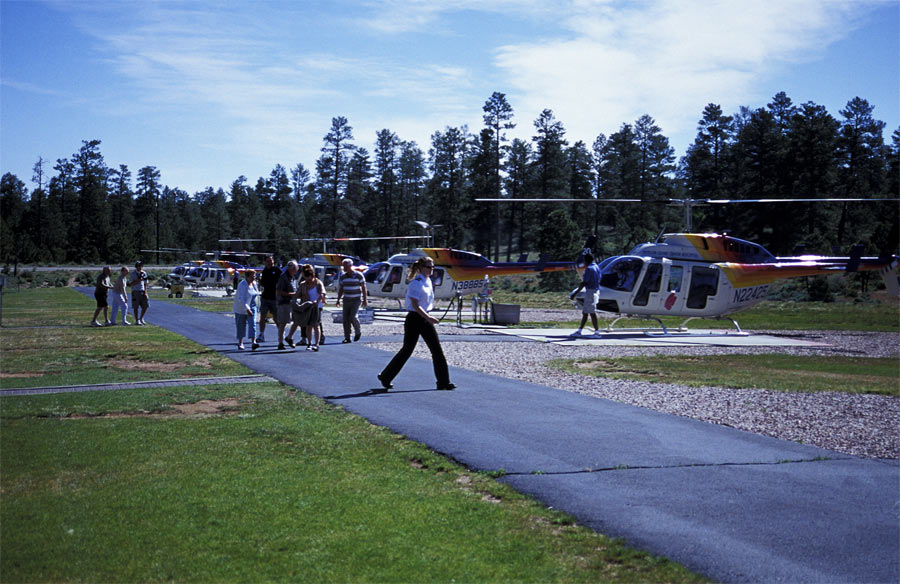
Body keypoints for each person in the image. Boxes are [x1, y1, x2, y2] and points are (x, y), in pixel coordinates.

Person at [378, 257, 454, 391]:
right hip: (415, 318)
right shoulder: (416, 283)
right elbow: (415, 305)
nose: (432, 270)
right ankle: (386, 376)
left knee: (437, 350)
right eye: (429, 267)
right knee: (407, 350)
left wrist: (428, 317)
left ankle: (443, 381)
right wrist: (428, 317)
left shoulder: (428, 281)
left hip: (424, 318)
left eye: (433, 267)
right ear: (421, 268)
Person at [288, 264, 326, 352]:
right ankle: (309, 343)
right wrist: (293, 300)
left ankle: (316, 344)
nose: (307, 280)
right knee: (308, 325)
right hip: (307, 306)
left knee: (316, 325)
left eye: (308, 278)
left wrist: (317, 300)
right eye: (305, 278)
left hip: (316, 307)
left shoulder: (318, 283)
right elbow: (298, 293)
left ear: (312, 276)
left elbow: (322, 294)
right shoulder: (303, 284)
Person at [335, 258, 368, 343]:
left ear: (350, 266)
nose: (344, 268)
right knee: (345, 319)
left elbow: (363, 287)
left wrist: (365, 299)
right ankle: (347, 337)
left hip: (356, 300)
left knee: (353, 317)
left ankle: (358, 331)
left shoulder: (358, 275)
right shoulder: (343, 276)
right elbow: (341, 289)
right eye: (343, 266)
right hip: (346, 299)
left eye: (345, 266)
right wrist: (338, 299)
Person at [569, 253, 601, 336]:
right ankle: (580, 330)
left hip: (590, 291)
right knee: (586, 312)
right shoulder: (597, 267)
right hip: (596, 290)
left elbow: (584, 282)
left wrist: (575, 293)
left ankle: (597, 332)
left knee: (591, 312)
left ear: (587, 260)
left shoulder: (589, 269)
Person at [275, 260, 300, 350]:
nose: (297, 270)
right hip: (284, 302)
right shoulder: (283, 277)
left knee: (297, 320)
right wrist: (290, 294)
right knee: (283, 323)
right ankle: (280, 342)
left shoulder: (292, 277)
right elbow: (278, 291)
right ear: (291, 269)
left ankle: (289, 337)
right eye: (296, 269)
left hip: (292, 302)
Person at [233, 269, 260, 350]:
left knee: (253, 324)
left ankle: (253, 342)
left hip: (252, 306)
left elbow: (257, 295)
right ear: (247, 276)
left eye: (255, 276)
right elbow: (242, 298)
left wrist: (258, 306)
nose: (254, 278)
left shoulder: (254, 284)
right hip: (241, 308)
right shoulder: (242, 285)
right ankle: (240, 343)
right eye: (252, 276)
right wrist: (247, 309)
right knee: (241, 325)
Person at [257, 256, 280, 343]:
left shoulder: (277, 270)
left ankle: (281, 333)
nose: (269, 263)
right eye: (267, 261)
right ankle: (261, 334)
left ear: (273, 261)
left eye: (271, 261)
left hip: (275, 298)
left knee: (276, 318)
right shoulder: (265, 271)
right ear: (265, 262)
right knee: (263, 316)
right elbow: (263, 283)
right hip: (265, 297)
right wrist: (260, 281)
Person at [128, 261, 150, 325]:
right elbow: (131, 284)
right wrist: (138, 280)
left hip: (142, 291)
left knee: (145, 306)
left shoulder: (144, 273)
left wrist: (145, 292)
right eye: (138, 266)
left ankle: (141, 318)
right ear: (136, 266)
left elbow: (145, 283)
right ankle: (137, 320)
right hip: (135, 291)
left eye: (141, 266)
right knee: (136, 307)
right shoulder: (133, 274)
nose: (140, 267)